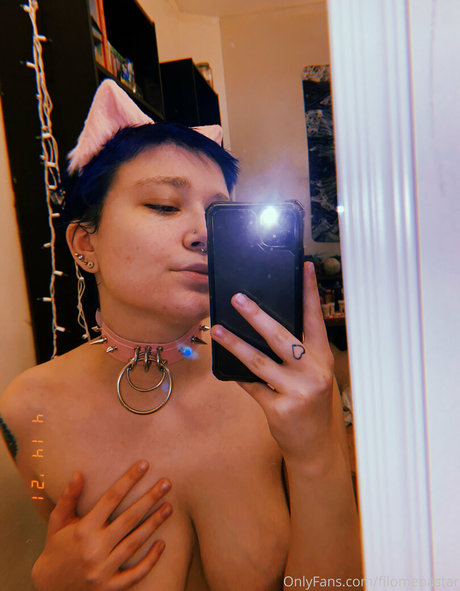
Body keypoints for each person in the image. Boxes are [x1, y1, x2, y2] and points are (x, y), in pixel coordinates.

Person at [0, 80, 362, 590]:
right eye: (164, 206)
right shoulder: (27, 412)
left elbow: (335, 585)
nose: (203, 234)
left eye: (219, 214)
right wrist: (51, 581)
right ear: (85, 244)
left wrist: (316, 452)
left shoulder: (286, 386)